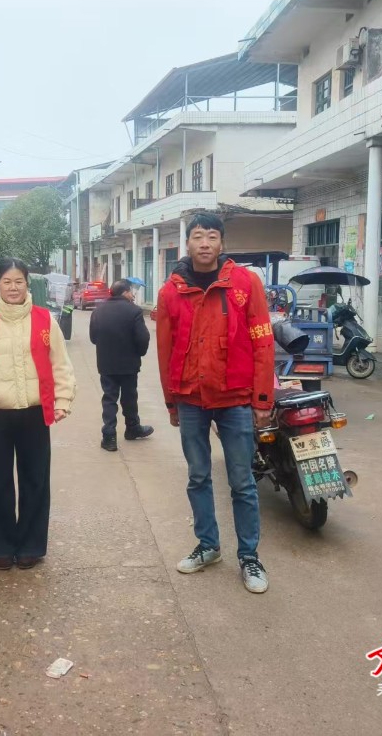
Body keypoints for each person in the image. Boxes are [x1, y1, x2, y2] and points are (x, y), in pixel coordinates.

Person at [155, 213, 275, 594]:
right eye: (197, 236)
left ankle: (249, 556)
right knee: (198, 477)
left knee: (242, 481)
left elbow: (262, 341)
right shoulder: (170, 292)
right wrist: (171, 401)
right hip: (191, 398)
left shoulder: (245, 283)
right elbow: (165, 351)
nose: (204, 243)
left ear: (222, 243)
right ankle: (208, 546)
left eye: (211, 236)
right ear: (187, 244)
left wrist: (261, 398)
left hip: (235, 398)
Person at [0, 257, 76, 570]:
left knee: (35, 480)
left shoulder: (44, 320)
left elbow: (60, 363)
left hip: (34, 414)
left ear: (27, 283)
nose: (13, 288)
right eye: (7, 282)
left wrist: (62, 399)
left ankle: (30, 546)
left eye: (18, 281)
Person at [89, 279, 153, 452]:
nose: (133, 295)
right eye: (131, 292)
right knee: (129, 397)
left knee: (109, 398)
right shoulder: (134, 311)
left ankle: (109, 436)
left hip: (106, 364)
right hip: (128, 364)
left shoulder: (98, 311)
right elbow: (143, 338)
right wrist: (139, 352)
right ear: (125, 292)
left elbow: (93, 338)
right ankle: (132, 428)